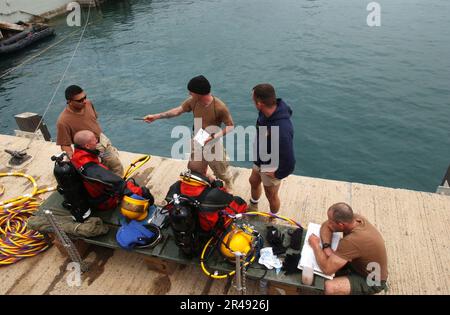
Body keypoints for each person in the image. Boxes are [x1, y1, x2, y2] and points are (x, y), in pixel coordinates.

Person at [143, 75, 235, 192]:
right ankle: (209, 179)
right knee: (194, 170)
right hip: (199, 137)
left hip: (213, 140)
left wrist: (213, 137)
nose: (189, 94)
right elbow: (177, 111)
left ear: (199, 93)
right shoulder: (193, 101)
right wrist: (155, 117)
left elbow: (230, 127)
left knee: (221, 172)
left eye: (191, 92)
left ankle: (228, 183)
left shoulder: (219, 107)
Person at [308, 202, 388, 295]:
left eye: (331, 222)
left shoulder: (352, 241)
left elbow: (327, 269)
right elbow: (325, 226)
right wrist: (326, 247)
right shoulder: (354, 219)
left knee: (329, 287)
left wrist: (315, 245)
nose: (328, 223)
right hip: (359, 265)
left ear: (341, 225)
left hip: (372, 280)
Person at [70, 130, 154, 211]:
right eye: (94, 140)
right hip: (105, 201)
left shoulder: (76, 156)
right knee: (133, 185)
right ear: (87, 146)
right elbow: (119, 185)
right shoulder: (93, 169)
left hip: (91, 193)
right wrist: (143, 193)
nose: (97, 141)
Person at [56, 85, 124, 177]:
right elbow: (65, 144)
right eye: (80, 100)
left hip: (102, 141)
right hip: (89, 151)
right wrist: (73, 159)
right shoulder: (63, 121)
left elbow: (94, 119)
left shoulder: (88, 104)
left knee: (115, 165)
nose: (84, 101)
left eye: (85, 97)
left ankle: (120, 184)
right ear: (69, 101)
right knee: (100, 174)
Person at [248, 83, 295, 215]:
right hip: (260, 157)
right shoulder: (264, 113)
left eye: (253, 100)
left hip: (271, 165)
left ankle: (273, 217)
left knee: (271, 196)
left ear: (259, 103)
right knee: (253, 181)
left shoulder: (282, 129)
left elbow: (290, 161)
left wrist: (278, 173)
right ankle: (253, 204)